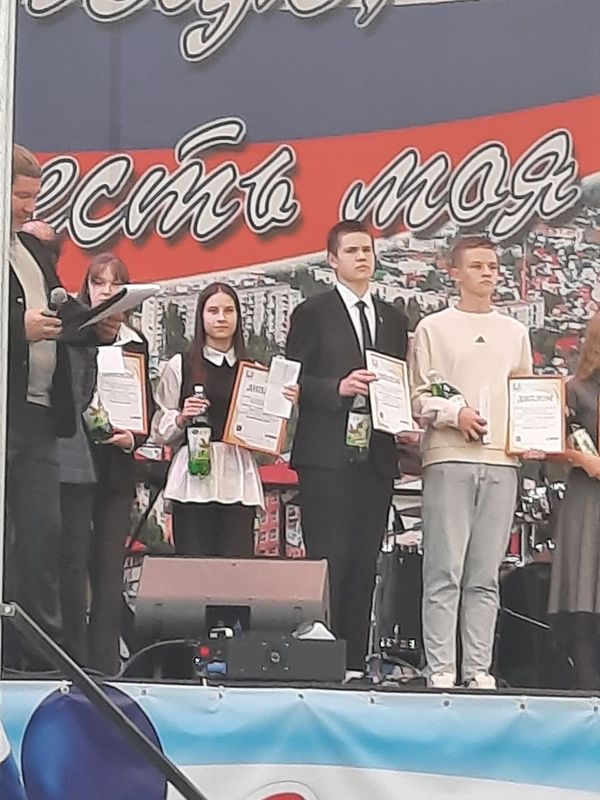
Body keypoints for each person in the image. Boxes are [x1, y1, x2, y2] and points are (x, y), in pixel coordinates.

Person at [3, 145, 119, 672]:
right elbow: (26, 323)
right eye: (21, 195)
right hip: (4, 412)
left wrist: (99, 323)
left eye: (34, 195)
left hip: (39, 415)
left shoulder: (31, 248)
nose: (30, 206)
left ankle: (37, 657)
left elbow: (62, 309)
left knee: (40, 537)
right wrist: (16, 330)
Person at [409, 235, 533, 689]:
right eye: (477, 266)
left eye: (493, 266)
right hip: (449, 456)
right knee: (444, 570)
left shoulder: (515, 332)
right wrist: (453, 415)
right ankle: (440, 667)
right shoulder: (433, 328)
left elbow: (525, 393)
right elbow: (419, 397)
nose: (487, 273)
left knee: (484, 575)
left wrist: (532, 433)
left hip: (502, 461)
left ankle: (478, 669)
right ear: (455, 273)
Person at [286, 220, 408, 676]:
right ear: (332, 260)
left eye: (367, 250)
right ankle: (324, 661)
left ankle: (355, 663)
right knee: (329, 561)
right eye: (352, 250)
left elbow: (398, 380)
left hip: (375, 457)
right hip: (326, 457)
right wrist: (337, 387)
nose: (362, 258)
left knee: (363, 563)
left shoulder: (393, 318)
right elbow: (293, 379)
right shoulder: (312, 312)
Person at [57, 253, 153, 675]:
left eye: (115, 284)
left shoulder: (136, 342)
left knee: (110, 568)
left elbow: (144, 406)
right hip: (77, 460)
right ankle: (72, 660)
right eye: (98, 283)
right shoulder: (72, 333)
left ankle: (106, 665)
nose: (106, 292)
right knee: (73, 559)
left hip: (117, 463)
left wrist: (134, 437)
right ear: (87, 288)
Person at [152, 282, 296, 557]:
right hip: (193, 476)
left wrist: (281, 408)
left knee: (235, 565)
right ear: (201, 316)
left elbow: (268, 436)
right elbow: (159, 429)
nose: (221, 318)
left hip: (236, 474)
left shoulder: (253, 371)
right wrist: (182, 417)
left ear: (238, 317)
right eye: (213, 311)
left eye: (228, 311)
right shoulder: (180, 365)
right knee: (194, 563)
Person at [548, 316, 600, 690]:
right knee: (584, 591)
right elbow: (549, 443)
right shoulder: (575, 390)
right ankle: (587, 688)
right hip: (588, 500)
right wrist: (581, 459)